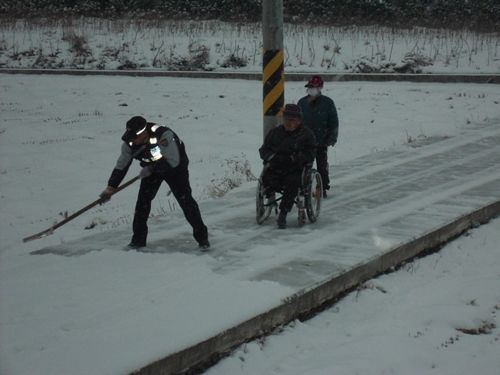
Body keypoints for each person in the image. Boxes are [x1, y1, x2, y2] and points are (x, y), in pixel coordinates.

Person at [100, 116, 209, 249]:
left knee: (186, 201)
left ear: (144, 132)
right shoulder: (129, 143)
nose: (133, 141)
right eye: (131, 138)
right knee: (142, 204)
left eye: (135, 137)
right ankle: (137, 242)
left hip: (175, 168)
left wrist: (151, 168)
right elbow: (121, 165)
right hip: (151, 169)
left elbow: (173, 160)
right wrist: (111, 187)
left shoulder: (163, 135)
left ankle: (203, 240)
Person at [259, 104, 316, 229]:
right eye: (286, 119)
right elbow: (264, 150)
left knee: (292, 183)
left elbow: (310, 153)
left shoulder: (306, 134)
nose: (289, 123)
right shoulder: (275, 133)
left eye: (292, 120)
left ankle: (283, 213)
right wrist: (272, 157)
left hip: (295, 168)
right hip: (276, 166)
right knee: (267, 179)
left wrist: (296, 158)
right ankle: (269, 196)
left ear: (299, 120)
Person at [297, 75, 339, 198]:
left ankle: (322, 187)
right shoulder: (302, 102)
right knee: (303, 165)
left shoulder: (328, 103)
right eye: (309, 87)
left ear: (320, 88)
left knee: (322, 165)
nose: (311, 89)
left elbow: (333, 122)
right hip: (304, 141)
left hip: (321, 140)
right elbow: (297, 121)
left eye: (314, 87)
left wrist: (332, 138)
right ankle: (302, 187)